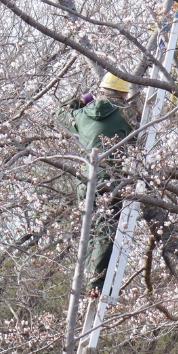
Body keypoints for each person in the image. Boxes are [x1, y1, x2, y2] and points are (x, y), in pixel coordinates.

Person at [55, 71, 138, 294]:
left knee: (90, 229)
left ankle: (90, 279)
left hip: (85, 180)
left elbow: (60, 114)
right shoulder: (126, 115)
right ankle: (96, 283)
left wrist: (81, 100)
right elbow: (140, 130)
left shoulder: (81, 115)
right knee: (106, 229)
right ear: (122, 94)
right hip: (109, 180)